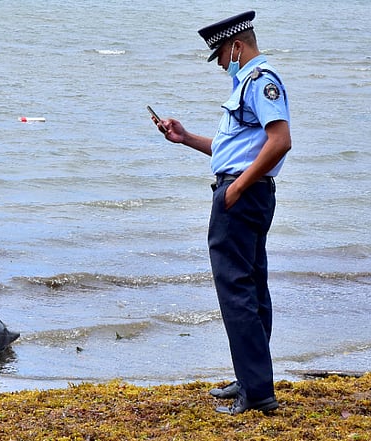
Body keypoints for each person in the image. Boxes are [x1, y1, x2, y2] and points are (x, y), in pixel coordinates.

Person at [152, 11, 291, 415]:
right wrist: (186, 138)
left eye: (220, 56)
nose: (219, 64)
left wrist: (238, 188)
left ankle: (258, 392)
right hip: (244, 190)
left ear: (236, 46)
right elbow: (236, 151)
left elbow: (280, 141)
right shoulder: (245, 82)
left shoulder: (260, 81)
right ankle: (252, 377)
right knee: (251, 287)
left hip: (242, 195)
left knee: (236, 293)